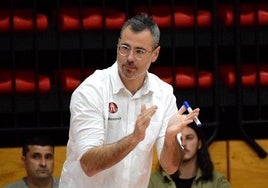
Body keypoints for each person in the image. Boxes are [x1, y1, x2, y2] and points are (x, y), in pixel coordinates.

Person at [59, 13, 200, 188]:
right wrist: (134, 138)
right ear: (117, 45)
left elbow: (171, 167)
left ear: (155, 54)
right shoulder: (92, 90)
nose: (130, 58)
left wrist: (171, 137)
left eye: (139, 51)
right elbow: (89, 165)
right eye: (125, 48)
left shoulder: (163, 93)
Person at [148, 123, 231, 188]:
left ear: (199, 144)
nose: (183, 144)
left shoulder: (217, 182)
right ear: (172, 144)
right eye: (179, 139)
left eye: (189, 138)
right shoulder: (153, 182)